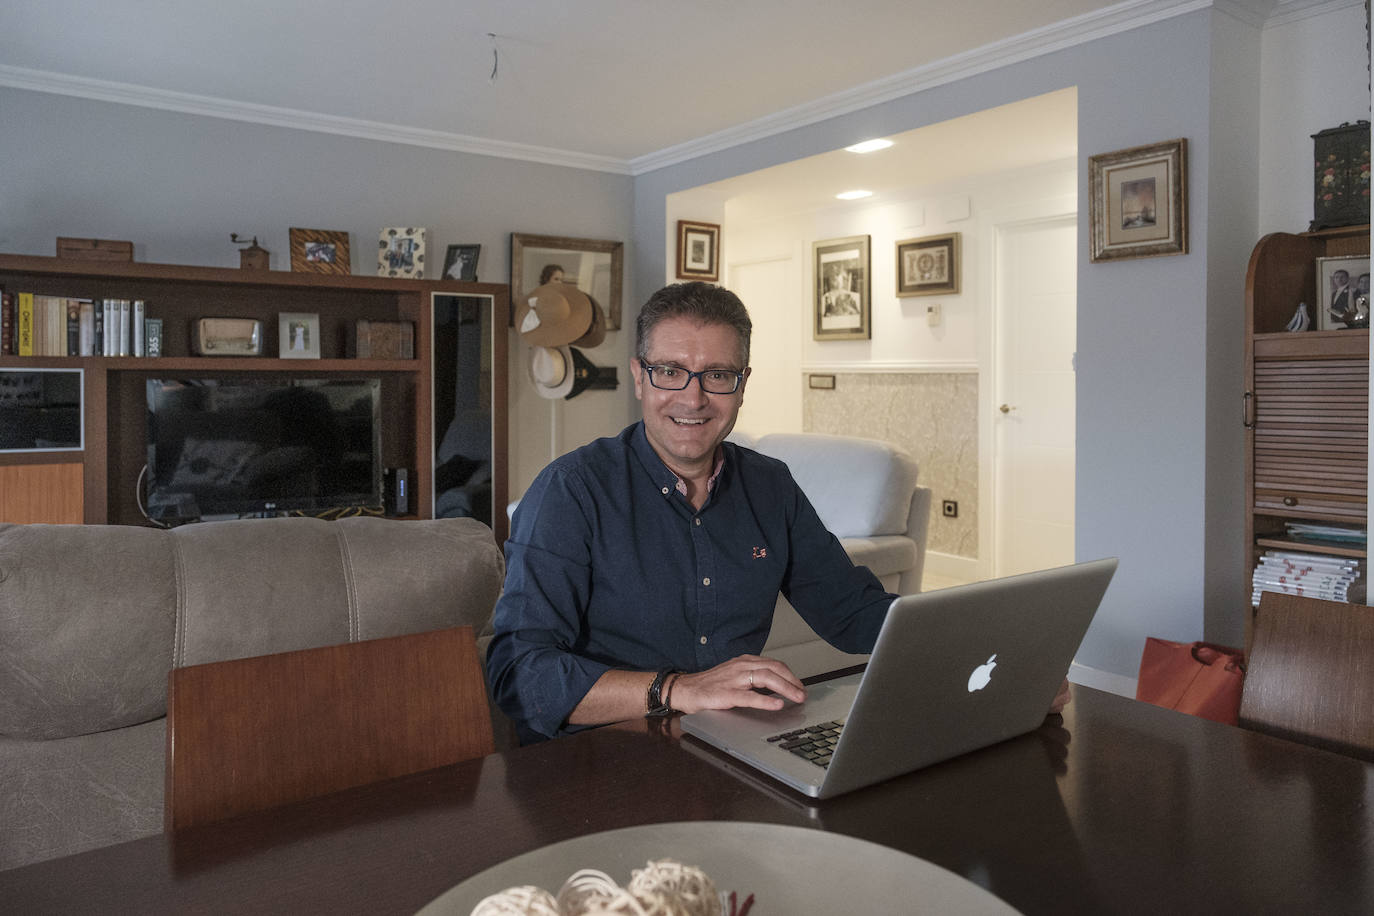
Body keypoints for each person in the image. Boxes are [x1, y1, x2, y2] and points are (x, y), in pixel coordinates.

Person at [486, 282, 1068, 743]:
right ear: (640, 377)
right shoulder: (570, 492)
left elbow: (855, 613)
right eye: (670, 372)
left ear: (741, 386)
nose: (692, 398)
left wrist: (993, 660)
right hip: (600, 764)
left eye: (717, 375)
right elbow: (518, 674)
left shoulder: (769, 485)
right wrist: (679, 689)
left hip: (737, 746)